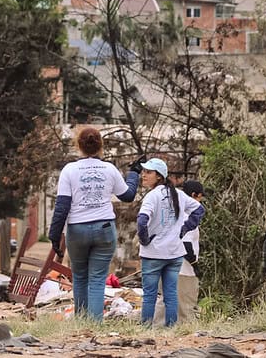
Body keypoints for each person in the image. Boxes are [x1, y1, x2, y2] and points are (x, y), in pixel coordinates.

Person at [47, 127, 139, 321]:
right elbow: (128, 195)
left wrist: (55, 237)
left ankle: (81, 321)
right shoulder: (109, 169)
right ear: (100, 146)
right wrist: (133, 174)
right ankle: (95, 323)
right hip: (103, 229)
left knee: (80, 277)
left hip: (77, 230)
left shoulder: (69, 170)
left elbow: (62, 206)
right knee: (97, 280)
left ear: (78, 145)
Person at [137, 158, 205, 327]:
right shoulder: (179, 195)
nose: (143, 175)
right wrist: (185, 229)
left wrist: (144, 240)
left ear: (159, 176)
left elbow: (142, 220)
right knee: (171, 294)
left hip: (153, 253)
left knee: (150, 295)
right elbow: (199, 210)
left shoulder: (152, 196)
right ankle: (171, 328)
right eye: (143, 171)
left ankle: (146, 328)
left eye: (148, 172)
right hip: (174, 253)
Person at [154, 180, 205, 325]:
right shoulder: (189, 216)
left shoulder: (174, 213)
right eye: (200, 197)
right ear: (194, 195)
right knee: (186, 303)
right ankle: (185, 329)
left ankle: (156, 326)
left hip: (167, 263)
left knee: (165, 300)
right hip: (184, 269)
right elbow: (186, 244)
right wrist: (195, 265)